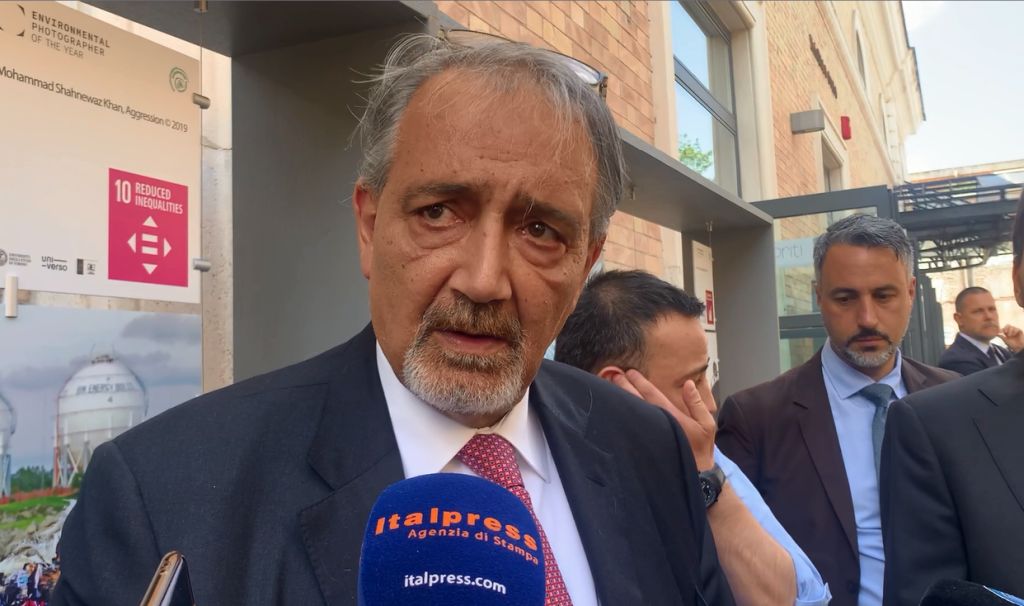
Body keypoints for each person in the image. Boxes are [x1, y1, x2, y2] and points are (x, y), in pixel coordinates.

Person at [53, 34, 733, 606]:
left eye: (540, 231)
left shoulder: (648, 447)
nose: (483, 280)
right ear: (369, 226)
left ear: (585, 263)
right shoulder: (162, 495)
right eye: (439, 212)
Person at [716, 214, 958, 606]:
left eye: (884, 296)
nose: (867, 318)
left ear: (911, 292)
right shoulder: (756, 417)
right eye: (845, 298)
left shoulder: (954, 398)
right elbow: (735, 556)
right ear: (819, 296)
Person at [555, 269, 832, 606]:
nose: (710, 403)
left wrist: (703, 477)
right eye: (693, 382)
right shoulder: (546, 475)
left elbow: (793, 597)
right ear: (617, 388)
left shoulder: (702, 456)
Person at [881, 194, 1024, 603]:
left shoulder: (997, 351)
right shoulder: (935, 424)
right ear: (1019, 279)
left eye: (990, 309)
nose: (989, 317)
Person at [937, 286, 1023, 375]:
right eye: (978, 311)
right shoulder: (956, 360)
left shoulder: (1001, 352)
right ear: (959, 319)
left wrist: (1019, 348)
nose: (989, 316)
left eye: (992, 309)